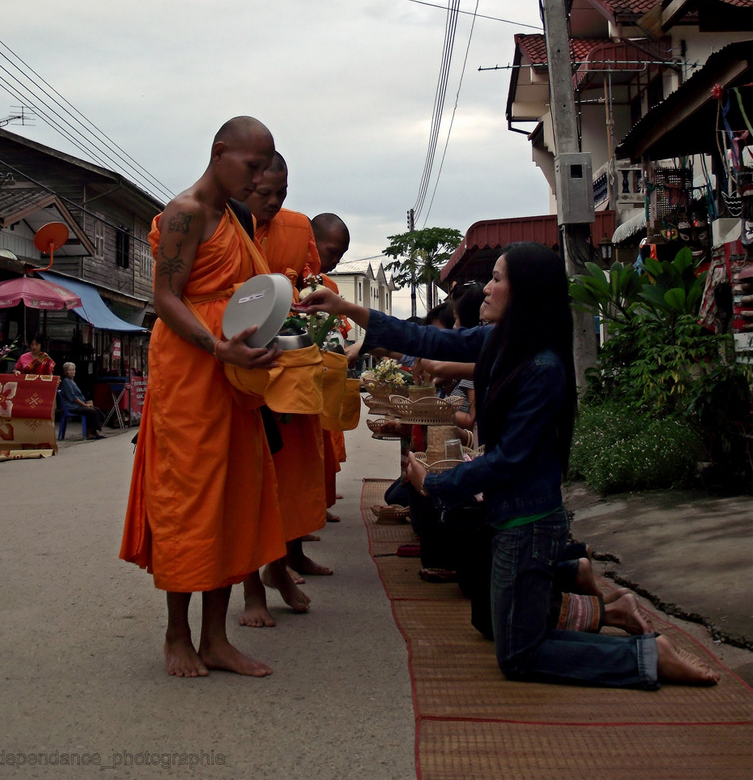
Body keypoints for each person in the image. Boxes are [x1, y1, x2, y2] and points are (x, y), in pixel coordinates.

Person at [298, 242, 719, 688]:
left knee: (518, 656)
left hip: (529, 523)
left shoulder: (542, 367)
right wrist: (346, 306)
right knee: (503, 631)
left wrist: (438, 484)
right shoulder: (502, 343)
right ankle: (604, 609)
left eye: (498, 280)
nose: (487, 291)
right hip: (511, 518)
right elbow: (426, 338)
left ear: (525, 292)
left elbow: (510, 460)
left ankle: (647, 653)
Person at [119, 116, 287, 678]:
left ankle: (215, 638)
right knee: (190, 497)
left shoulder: (234, 218)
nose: (259, 178)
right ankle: (176, 635)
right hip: (193, 370)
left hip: (233, 375)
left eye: (265, 168)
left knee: (234, 494)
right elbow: (165, 296)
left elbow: (240, 295)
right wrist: (219, 348)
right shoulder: (185, 213)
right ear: (220, 153)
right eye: (252, 166)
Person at [238, 152, 329, 628]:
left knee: (288, 476)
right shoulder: (224, 223)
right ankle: (251, 584)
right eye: (263, 194)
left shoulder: (296, 228)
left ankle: (280, 567)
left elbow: (307, 281)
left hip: (288, 362)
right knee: (251, 478)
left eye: (281, 194)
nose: (272, 204)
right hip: (240, 364)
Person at [310, 213, 352, 521]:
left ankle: (314, 511)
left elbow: (338, 333)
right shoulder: (292, 277)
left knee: (320, 448)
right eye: (332, 252)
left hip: (325, 377)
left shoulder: (328, 286)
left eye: (341, 255)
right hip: (300, 377)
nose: (335, 261)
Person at [59, 362, 106, 440]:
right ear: (65, 372)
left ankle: (94, 431)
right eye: (70, 370)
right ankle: (89, 432)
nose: (72, 372)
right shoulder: (66, 382)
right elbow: (73, 397)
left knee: (96, 409)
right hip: (72, 406)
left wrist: (87, 403)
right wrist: (84, 405)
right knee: (91, 411)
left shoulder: (72, 381)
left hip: (78, 405)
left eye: (73, 370)